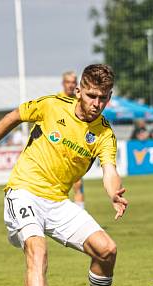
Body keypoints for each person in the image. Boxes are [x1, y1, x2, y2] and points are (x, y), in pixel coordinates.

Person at [0, 64, 131, 286]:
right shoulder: (52, 105)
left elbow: (109, 169)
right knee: (37, 248)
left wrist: (113, 192)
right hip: (23, 191)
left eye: (103, 98)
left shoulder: (104, 133)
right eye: (91, 96)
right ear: (78, 91)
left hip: (57, 202)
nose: (97, 104)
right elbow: (13, 117)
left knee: (107, 250)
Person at [59, 71, 86, 209]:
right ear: (63, 83)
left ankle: (81, 217)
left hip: (75, 149)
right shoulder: (57, 100)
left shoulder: (80, 101)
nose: (70, 85)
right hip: (57, 151)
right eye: (68, 82)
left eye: (73, 82)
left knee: (78, 185)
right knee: (59, 189)